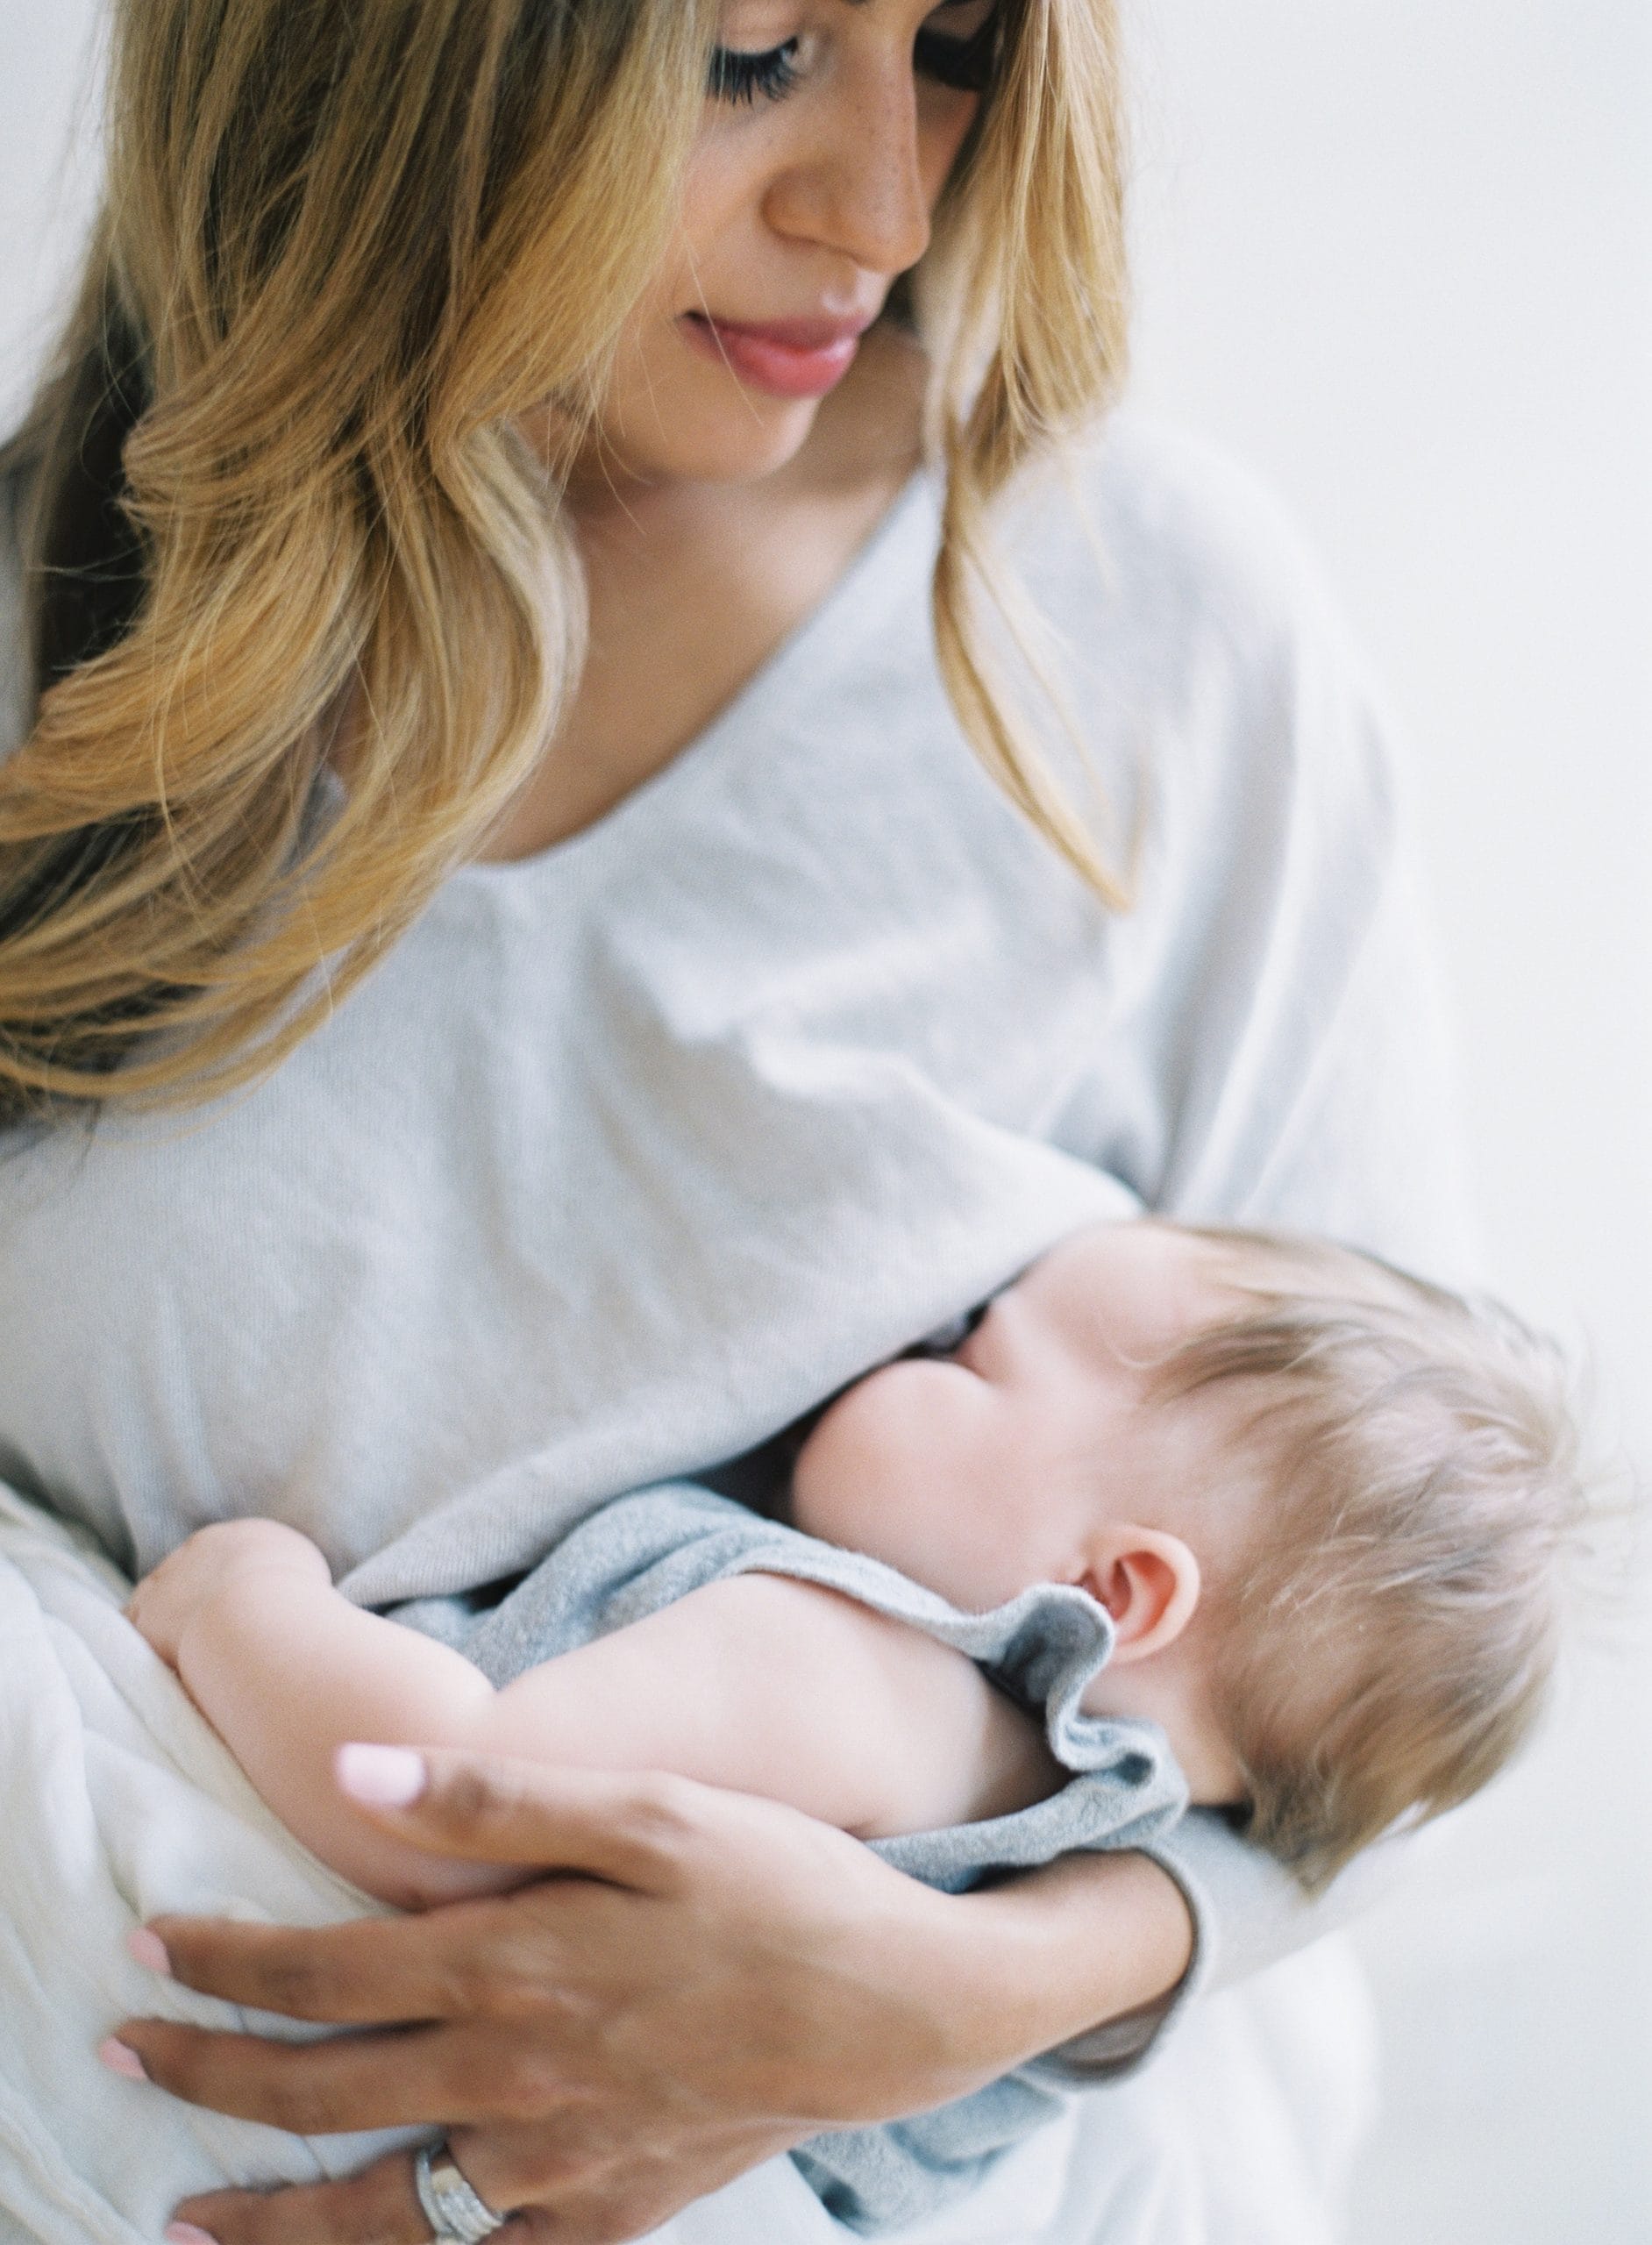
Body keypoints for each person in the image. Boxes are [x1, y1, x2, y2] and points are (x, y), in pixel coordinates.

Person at [0, 2, 1477, 2241]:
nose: (884, 204)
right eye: (754, 56)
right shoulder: (49, 644)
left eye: (958, 44)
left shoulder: (1140, 639)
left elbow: (1412, 1668)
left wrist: (952, 1980)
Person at [120, 1216, 1587, 2233]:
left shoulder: (859, 1677)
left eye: (977, 1361)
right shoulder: (1048, 1824)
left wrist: (247, 1600)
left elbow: (441, 1819)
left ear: (1114, 1586)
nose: (923, 1336)